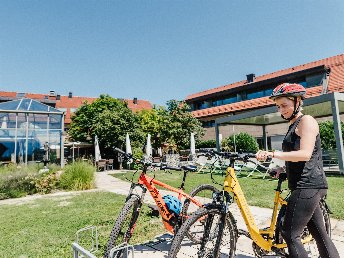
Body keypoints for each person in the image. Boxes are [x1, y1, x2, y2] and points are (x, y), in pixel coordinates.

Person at [256, 83, 339, 258]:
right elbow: (296, 157)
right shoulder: (293, 125)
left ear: (298, 101)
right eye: (278, 106)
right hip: (306, 185)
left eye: (284, 105)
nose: (281, 110)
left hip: (308, 185)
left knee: (290, 233)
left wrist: (272, 154)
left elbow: (305, 154)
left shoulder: (306, 121)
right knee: (319, 234)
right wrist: (283, 168)